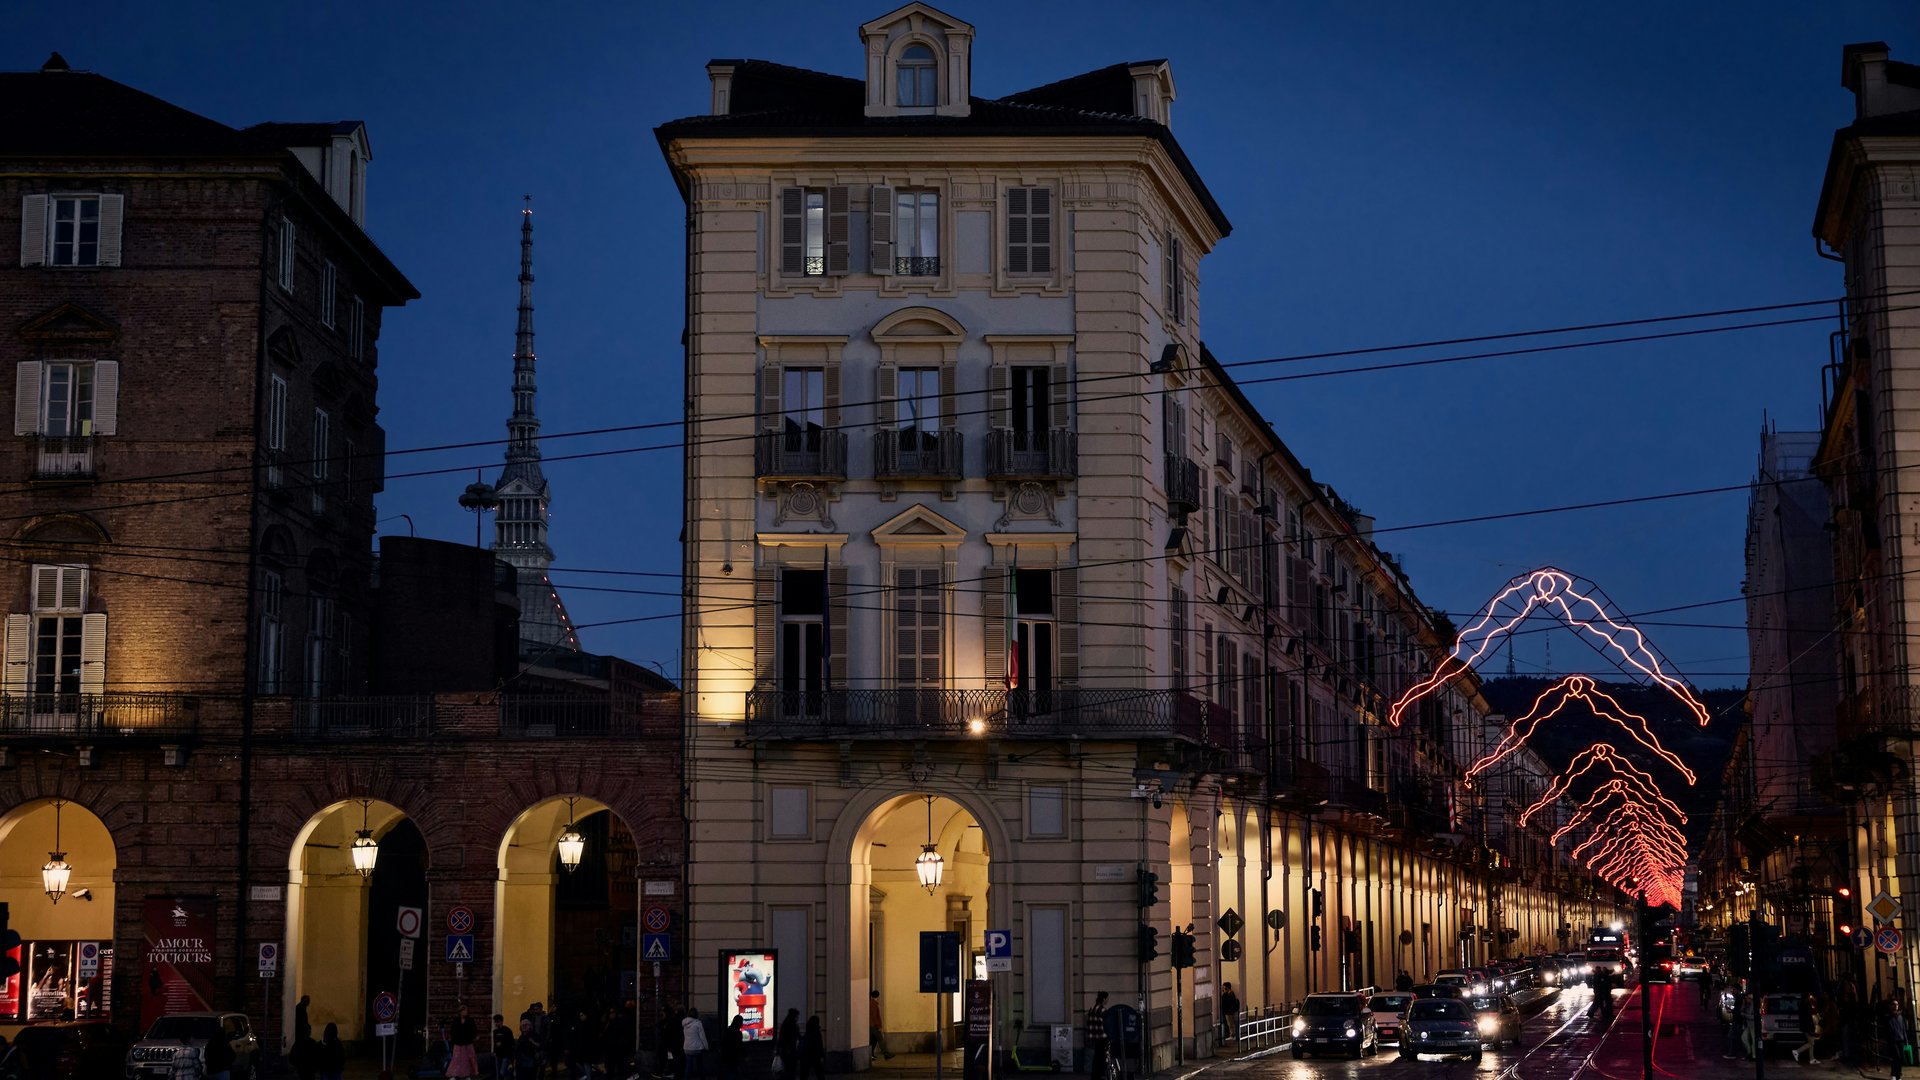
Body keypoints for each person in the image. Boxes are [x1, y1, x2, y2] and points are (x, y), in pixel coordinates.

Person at [449, 1004, 482, 1078]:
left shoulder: (470, 1020)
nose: (465, 1012)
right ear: (460, 1012)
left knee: (468, 1059)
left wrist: (474, 1037)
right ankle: (455, 1075)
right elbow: (453, 1031)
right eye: (463, 1011)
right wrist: (454, 1040)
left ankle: (468, 1075)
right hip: (458, 1043)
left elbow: (474, 1030)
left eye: (466, 1010)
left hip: (468, 1042)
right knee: (457, 1059)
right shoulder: (456, 1021)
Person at [1087, 992, 1111, 1080]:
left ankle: (1095, 1076)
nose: (1107, 1001)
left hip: (1094, 1038)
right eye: (1107, 999)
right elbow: (1107, 1025)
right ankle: (1100, 1075)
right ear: (1104, 999)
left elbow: (1089, 1024)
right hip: (1102, 1037)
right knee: (1101, 1058)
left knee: (1096, 1057)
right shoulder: (1103, 1010)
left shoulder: (1091, 1009)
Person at [684, 1008, 711, 1079]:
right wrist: (706, 1047)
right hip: (697, 1048)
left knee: (688, 1067)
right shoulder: (698, 1023)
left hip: (687, 1048)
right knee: (700, 1066)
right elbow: (702, 1037)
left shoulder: (684, 1023)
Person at [1793, 993, 1818, 1064]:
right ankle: (1797, 1051)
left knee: (1811, 1042)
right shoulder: (1806, 1005)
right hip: (1808, 1027)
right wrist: (1810, 1029)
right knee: (1811, 1043)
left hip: (1805, 1027)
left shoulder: (1802, 1005)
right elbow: (1808, 1018)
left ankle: (1812, 1058)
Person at [776, 1008, 802, 1079]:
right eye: (797, 1016)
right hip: (791, 1050)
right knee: (791, 1069)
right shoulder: (793, 1025)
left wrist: (778, 1050)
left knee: (787, 1069)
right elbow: (798, 1037)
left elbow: (781, 1038)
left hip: (785, 1050)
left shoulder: (785, 1024)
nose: (797, 1018)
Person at [869, 990, 894, 1060]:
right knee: (880, 1039)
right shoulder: (873, 1004)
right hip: (874, 1026)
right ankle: (886, 1054)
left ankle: (871, 1054)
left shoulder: (872, 1003)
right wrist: (878, 1026)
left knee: (873, 1041)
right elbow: (874, 1016)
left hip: (872, 1025)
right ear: (878, 996)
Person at [801, 1016, 827, 1080]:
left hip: (807, 1055)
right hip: (815, 1056)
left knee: (805, 1073)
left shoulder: (808, 1032)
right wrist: (822, 1055)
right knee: (819, 1073)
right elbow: (819, 1045)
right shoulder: (816, 1032)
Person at [720, 1015, 744, 1080]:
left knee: (729, 1073)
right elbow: (740, 1045)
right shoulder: (738, 1033)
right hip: (734, 1057)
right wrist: (745, 1055)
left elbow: (723, 1043)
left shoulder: (727, 1030)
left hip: (726, 1056)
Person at [494, 1014, 517, 1080]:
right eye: (495, 1022)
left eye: (497, 1022)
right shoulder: (495, 1031)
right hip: (498, 1054)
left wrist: (503, 1044)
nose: (496, 1024)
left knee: (503, 1071)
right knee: (498, 1072)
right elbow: (495, 1042)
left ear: (501, 1021)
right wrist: (495, 1051)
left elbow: (511, 1042)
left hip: (506, 1054)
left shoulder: (507, 1030)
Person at [1891, 999, 1909, 1080]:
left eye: (1897, 1004)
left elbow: (1903, 1029)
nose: (1896, 1006)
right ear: (1891, 1006)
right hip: (1894, 1041)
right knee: (1896, 1057)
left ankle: (1898, 1075)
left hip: (1901, 1040)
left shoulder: (1900, 1017)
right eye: (1894, 1004)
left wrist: (1906, 1040)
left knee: (1900, 1058)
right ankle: (1894, 1074)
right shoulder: (1889, 1017)